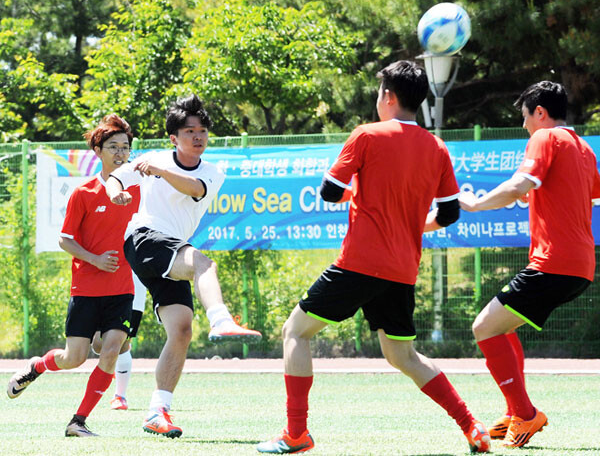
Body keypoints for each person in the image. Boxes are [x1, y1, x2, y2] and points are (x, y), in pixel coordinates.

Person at [257, 60, 491, 454]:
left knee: (294, 332)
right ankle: (472, 425)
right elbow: (450, 213)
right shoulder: (436, 146)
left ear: (388, 96)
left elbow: (330, 191)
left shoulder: (366, 134)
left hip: (359, 264)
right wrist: (409, 224)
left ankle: (296, 434)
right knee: (403, 355)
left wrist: (360, 195)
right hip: (401, 270)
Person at [105, 94, 262, 439]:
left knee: (181, 330)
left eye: (202, 130)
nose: (198, 136)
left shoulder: (211, 172)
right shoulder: (154, 158)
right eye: (189, 131)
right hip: (143, 239)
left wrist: (160, 172)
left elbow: (193, 188)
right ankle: (221, 320)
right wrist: (115, 190)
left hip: (170, 249)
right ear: (174, 138)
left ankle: (156, 412)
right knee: (203, 263)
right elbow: (116, 177)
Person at [459, 81, 600, 448]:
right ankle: (514, 413)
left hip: (553, 262)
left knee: (483, 327)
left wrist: (474, 205)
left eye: (525, 117)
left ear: (540, 112)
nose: (524, 125)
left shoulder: (545, 138)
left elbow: (519, 185)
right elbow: (587, 195)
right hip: (581, 265)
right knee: (502, 327)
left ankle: (525, 413)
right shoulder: (584, 148)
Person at [7, 114, 141, 437]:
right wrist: (95, 259)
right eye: (113, 147)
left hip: (122, 288)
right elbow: (65, 239)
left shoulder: (139, 190)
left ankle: (78, 421)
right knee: (74, 358)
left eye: (125, 147)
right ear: (98, 151)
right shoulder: (84, 193)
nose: (120, 153)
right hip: (86, 288)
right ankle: (38, 365)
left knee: (112, 349)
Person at [91, 271, 147, 410]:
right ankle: (119, 364)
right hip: (104, 290)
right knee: (98, 345)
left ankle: (120, 396)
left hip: (133, 293)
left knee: (121, 345)